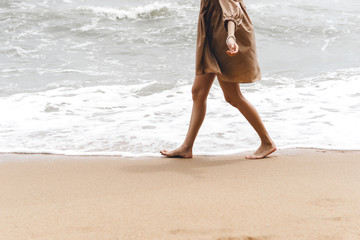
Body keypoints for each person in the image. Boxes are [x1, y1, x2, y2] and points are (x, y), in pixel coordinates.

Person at [160, 0, 276, 159]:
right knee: (198, 92)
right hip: (212, 32)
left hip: (225, 34)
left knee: (232, 96)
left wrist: (230, 36)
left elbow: (231, 8)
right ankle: (187, 147)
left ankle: (267, 142)